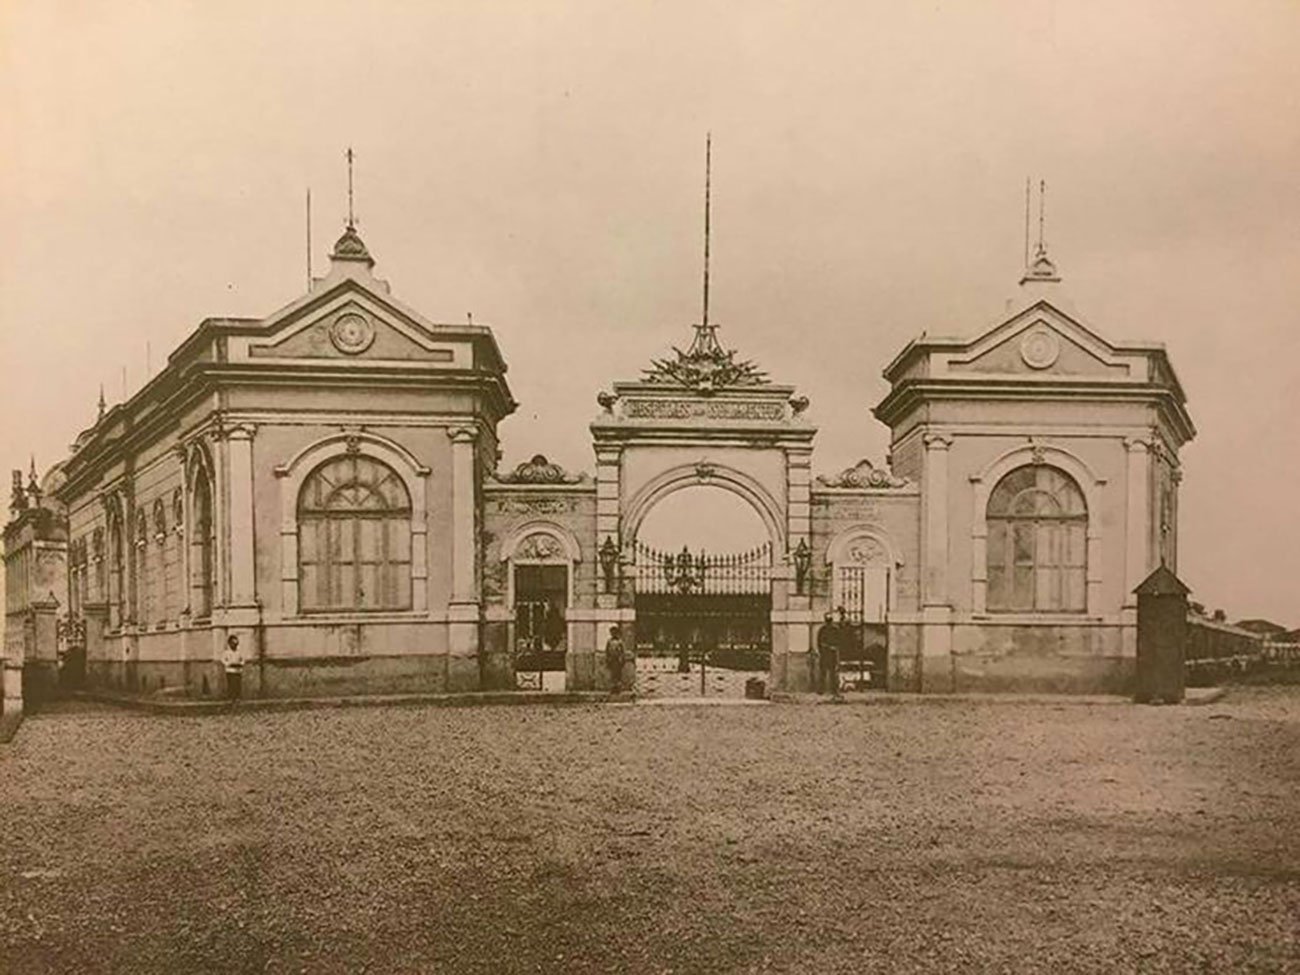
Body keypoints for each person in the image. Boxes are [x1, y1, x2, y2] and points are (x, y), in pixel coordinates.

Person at [816, 612, 841, 697]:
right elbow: (819, 643)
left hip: (829, 654)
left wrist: (833, 648)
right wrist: (824, 649)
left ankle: (832, 690)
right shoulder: (824, 630)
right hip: (826, 654)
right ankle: (822, 689)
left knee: (831, 673)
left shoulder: (832, 630)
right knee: (824, 672)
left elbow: (838, 641)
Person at [221, 634, 244, 704]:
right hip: (230, 670)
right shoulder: (227, 652)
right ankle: (231, 698)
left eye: (236, 644)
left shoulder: (239, 652)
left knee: (237, 684)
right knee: (231, 684)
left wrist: (240, 664)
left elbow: (242, 660)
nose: (234, 645)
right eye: (233, 643)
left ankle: (237, 697)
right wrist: (228, 664)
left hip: (238, 670)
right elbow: (223, 660)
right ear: (229, 644)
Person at [605, 625, 626, 694]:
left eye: (614, 632)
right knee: (612, 675)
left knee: (618, 674)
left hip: (618, 660)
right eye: (612, 632)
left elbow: (622, 651)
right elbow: (607, 651)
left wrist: (622, 659)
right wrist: (607, 659)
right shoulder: (609, 641)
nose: (613, 634)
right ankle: (613, 688)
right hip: (612, 660)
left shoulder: (620, 641)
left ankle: (618, 688)